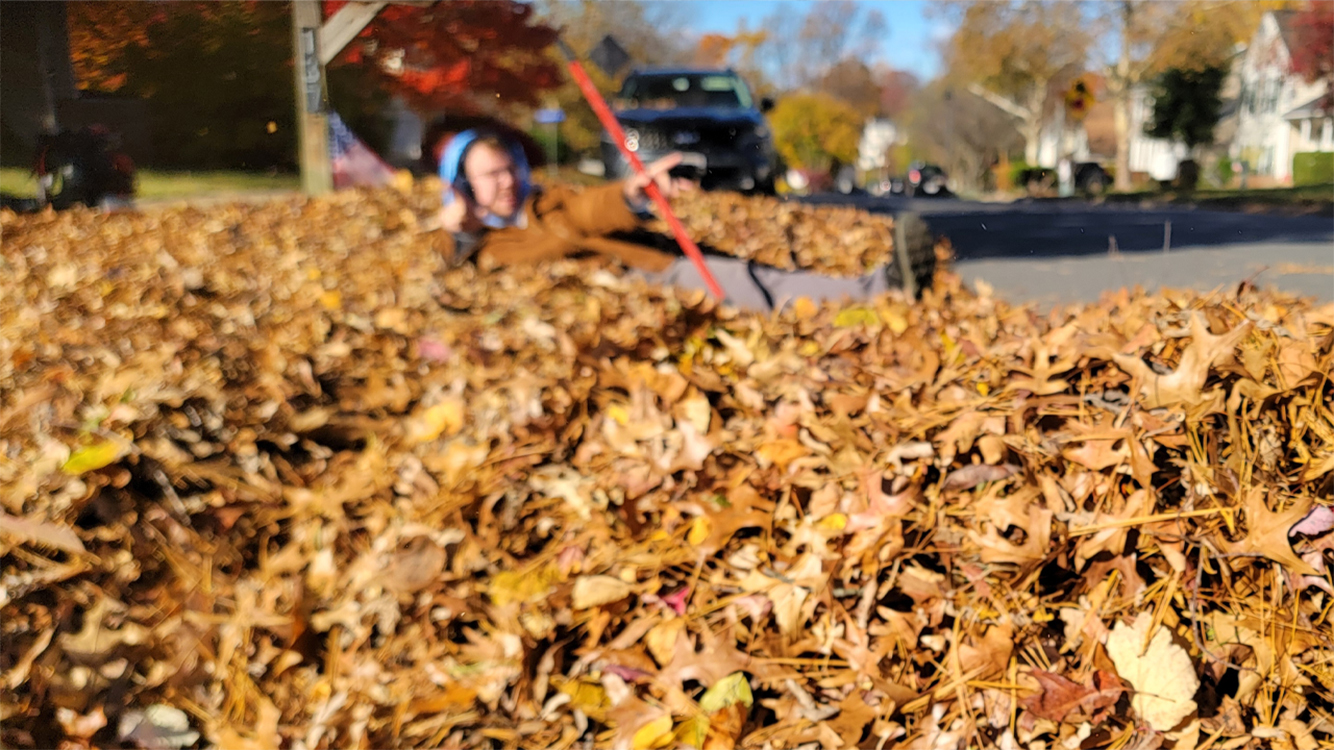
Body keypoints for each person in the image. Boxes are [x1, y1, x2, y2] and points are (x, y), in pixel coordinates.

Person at [434, 129, 935, 312]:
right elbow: (446, 283)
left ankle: (879, 289)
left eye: (507, 170)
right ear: (461, 186)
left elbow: (583, 211)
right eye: (487, 176)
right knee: (754, 288)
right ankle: (875, 293)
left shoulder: (547, 200)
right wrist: (462, 233)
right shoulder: (478, 245)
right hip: (637, 290)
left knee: (756, 277)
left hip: (650, 261)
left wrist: (630, 193)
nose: (503, 182)